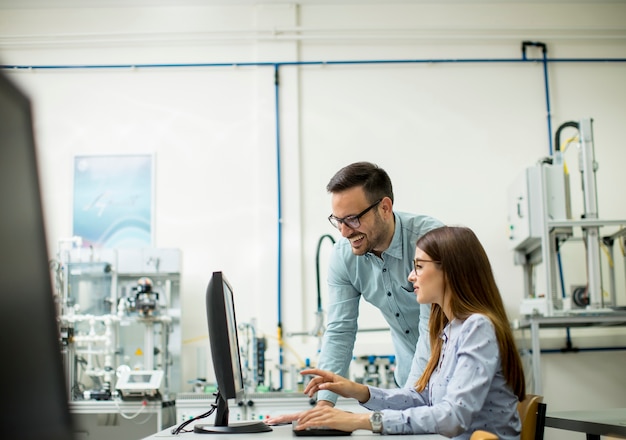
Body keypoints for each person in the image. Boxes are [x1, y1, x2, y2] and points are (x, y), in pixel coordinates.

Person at [294, 226, 526, 439]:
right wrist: (359, 391)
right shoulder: (450, 330)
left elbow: (453, 416)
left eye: (419, 266)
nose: (411, 276)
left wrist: (360, 420)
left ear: (450, 271)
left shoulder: (478, 327)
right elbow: (423, 400)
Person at [267, 161, 443, 424]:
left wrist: (408, 400)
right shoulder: (343, 256)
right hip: (408, 380)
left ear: (385, 207)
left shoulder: (429, 240)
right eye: (338, 221)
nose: (344, 231)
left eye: (352, 219)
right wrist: (323, 406)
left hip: (446, 378)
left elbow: (432, 328)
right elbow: (339, 331)